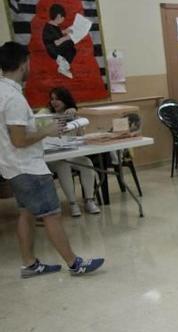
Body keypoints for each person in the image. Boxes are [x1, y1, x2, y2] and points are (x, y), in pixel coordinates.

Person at [0, 42, 103, 277]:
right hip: (27, 167)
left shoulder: (3, 91)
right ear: (23, 62)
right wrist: (46, 131)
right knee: (51, 214)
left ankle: (30, 263)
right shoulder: (13, 98)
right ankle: (74, 264)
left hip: (12, 166)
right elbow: (18, 139)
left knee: (26, 213)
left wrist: (37, 126)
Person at [41, 86, 100, 216]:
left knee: (87, 162)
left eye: (58, 99)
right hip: (53, 157)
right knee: (63, 165)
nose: (54, 102)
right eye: (52, 99)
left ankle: (89, 200)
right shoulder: (45, 113)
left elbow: (80, 137)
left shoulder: (72, 114)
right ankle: (73, 203)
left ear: (66, 100)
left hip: (70, 153)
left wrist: (75, 118)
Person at [42, 3, 75, 79]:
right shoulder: (49, 28)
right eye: (62, 18)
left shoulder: (53, 25)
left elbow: (58, 34)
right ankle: (62, 66)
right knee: (70, 43)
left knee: (72, 50)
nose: (63, 20)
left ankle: (64, 64)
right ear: (58, 16)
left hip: (55, 46)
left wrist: (65, 31)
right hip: (53, 49)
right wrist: (66, 38)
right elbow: (56, 42)